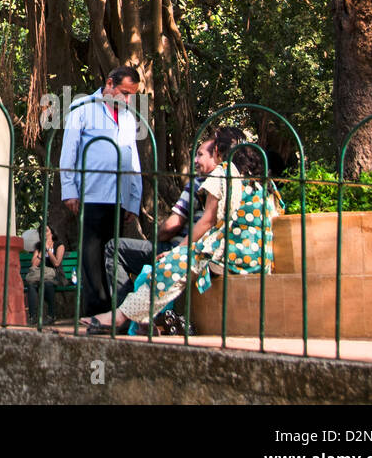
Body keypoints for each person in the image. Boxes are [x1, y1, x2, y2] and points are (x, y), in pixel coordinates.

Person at [81, 140, 281, 333]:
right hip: (256, 259)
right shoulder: (261, 186)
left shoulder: (221, 177)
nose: (195, 159)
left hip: (225, 254)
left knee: (168, 263)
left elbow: (205, 221)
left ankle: (123, 316)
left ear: (219, 153)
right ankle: (133, 316)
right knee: (173, 261)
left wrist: (176, 250)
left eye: (200, 154)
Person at [104, 126, 244, 307]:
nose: (195, 160)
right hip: (215, 250)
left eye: (200, 155)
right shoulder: (240, 182)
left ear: (215, 154)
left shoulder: (202, 183)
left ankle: (124, 311)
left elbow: (174, 224)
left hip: (186, 248)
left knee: (114, 248)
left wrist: (168, 245)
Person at [58, 65, 143, 316]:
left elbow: (133, 159)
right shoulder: (83, 108)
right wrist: (69, 189)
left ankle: (112, 311)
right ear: (109, 84)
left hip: (119, 197)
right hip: (91, 193)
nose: (127, 99)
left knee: (112, 253)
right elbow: (68, 151)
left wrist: (134, 200)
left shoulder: (127, 116)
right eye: (124, 92)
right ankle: (95, 312)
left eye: (131, 95)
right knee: (92, 256)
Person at [24, 225, 65, 326]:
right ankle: (33, 317)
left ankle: (51, 315)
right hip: (39, 275)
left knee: (47, 284)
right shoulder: (38, 246)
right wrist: (43, 250)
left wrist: (49, 251)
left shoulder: (59, 245)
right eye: (41, 231)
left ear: (51, 232)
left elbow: (56, 263)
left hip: (54, 275)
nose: (44, 233)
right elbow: (34, 264)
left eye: (46, 230)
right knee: (31, 285)